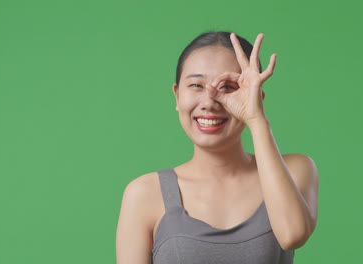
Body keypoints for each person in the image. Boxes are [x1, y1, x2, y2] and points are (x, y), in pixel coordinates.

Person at [115, 31, 319, 264]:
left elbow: (292, 234)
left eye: (228, 87)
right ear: (177, 95)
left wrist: (256, 119)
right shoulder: (143, 194)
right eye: (196, 85)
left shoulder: (296, 169)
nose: (210, 102)